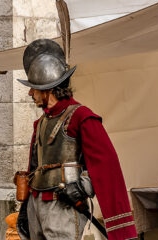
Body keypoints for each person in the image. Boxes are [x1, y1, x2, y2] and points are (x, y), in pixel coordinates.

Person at [16, 39, 137, 240]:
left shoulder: (81, 117)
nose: (30, 92)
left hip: (63, 208)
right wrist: (25, 209)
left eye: (34, 87)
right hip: (36, 208)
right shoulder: (41, 123)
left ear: (49, 88)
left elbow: (106, 165)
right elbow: (34, 168)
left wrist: (82, 187)